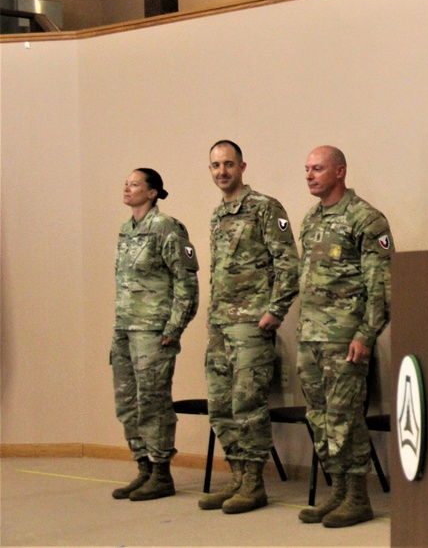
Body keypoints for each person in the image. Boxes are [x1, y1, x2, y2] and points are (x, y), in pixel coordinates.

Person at [200, 140, 300, 514]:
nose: (221, 171)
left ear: (243, 166)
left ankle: (254, 484)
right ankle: (238, 478)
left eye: (228, 164)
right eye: (215, 166)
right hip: (221, 324)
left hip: (251, 324)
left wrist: (275, 310)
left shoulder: (264, 208)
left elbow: (288, 262)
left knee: (248, 404)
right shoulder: (217, 215)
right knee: (221, 406)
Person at [296, 145, 393, 528]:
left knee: (345, 418)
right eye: (306, 169)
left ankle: (357, 497)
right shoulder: (310, 219)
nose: (309, 175)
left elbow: (381, 285)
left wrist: (366, 334)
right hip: (311, 338)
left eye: (317, 168)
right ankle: (336, 490)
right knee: (319, 418)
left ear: (340, 171)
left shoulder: (365, 219)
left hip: (345, 339)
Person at [112, 168, 199, 501]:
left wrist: (175, 327)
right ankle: (144, 468)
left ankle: (162, 474)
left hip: (153, 331)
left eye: (135, 184)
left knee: (153, 402)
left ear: (152, 193)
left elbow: (186, 281)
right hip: (124, 329)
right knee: (127, 403)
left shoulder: (166, 228)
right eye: (126, 183)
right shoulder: (126, 230)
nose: (127, 188)